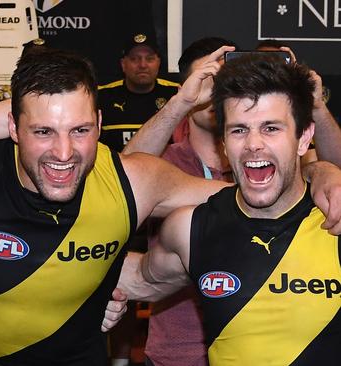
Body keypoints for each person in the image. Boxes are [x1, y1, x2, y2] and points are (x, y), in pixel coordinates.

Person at [0, 47, 226, 365]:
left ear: (98, 123)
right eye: (43, 131)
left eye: (80, 130)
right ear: (13, 126)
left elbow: (249, 202)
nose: (64, 153)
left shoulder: (130, 181)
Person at [118, 54, 341, 365]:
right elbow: (138, 278)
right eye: (238, 130)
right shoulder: (190, 228)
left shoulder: (334, 220)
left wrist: (323, 170)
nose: (253, 144)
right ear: (223, 143)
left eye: (271, 128)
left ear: (303, 138)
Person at [124, 37, 235, 366]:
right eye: (207, 81)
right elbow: (123, 186)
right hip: (176, 353)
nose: (216, 94)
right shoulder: (165, 162)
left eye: (227, 83)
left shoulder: (258, 162)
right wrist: (181, 102)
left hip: (250, 349)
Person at [98, 31, 179, 151]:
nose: (142, 65)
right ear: (123, 64)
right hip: (115, 168)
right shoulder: (102, 96)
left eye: (150, 59)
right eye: (134, 59)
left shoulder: (176, 94)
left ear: (159, 63)